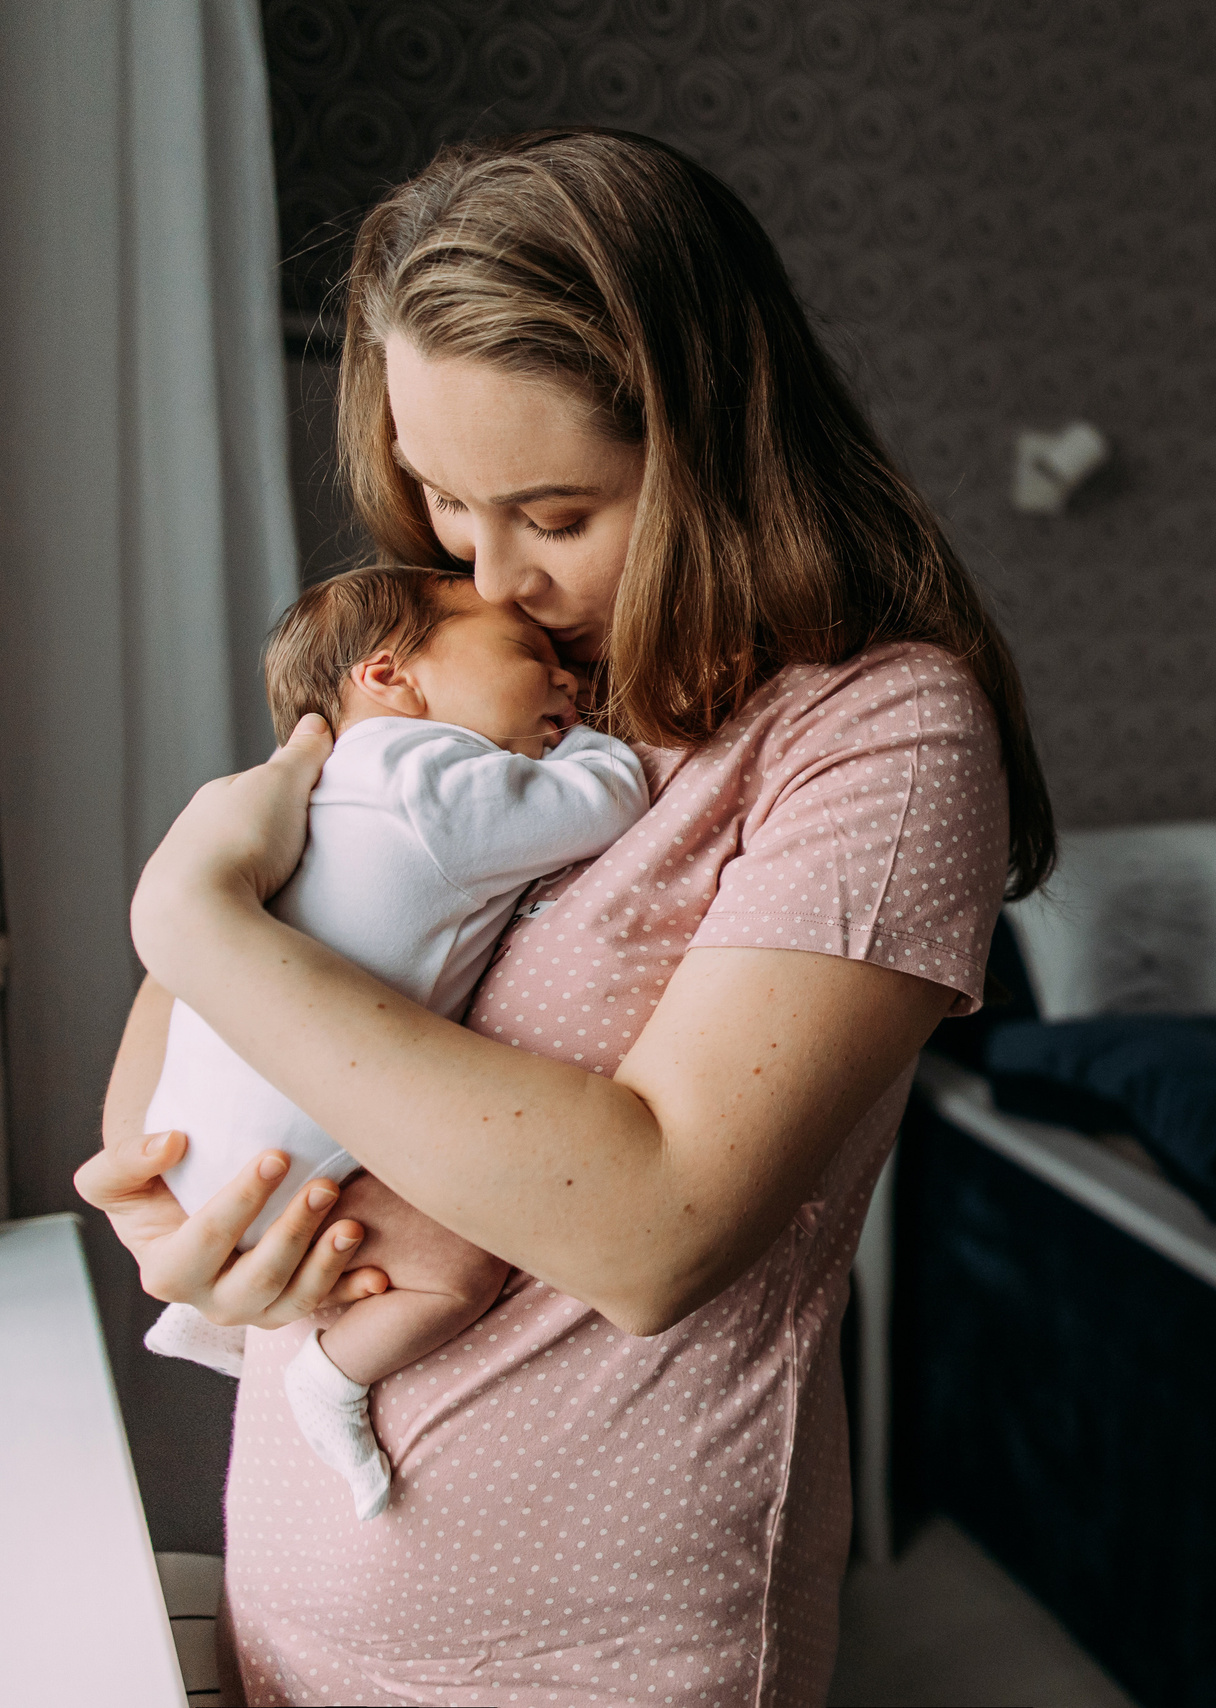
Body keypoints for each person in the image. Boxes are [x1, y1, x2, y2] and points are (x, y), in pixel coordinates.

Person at [76, 128, 1051, 1706]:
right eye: (442, 498)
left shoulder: (876, 733)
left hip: (600, 1652)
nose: (488, 569)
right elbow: (184, 1079)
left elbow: (649, 1226)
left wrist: (194, 916)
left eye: (555, 511)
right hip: (295, 1588)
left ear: (721, 452)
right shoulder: (461, 655)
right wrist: (190, 1225)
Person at [144, 566, 651, 1522]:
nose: (568, 682)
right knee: (459, 1272)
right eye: (528, 656)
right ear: (390, 677)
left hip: (208, 1132)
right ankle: (332, 1376)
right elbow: (606, 802)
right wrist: (602, 743)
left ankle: (203, 1318)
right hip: (287, 1147)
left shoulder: (343, 786)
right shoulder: (425, 778)